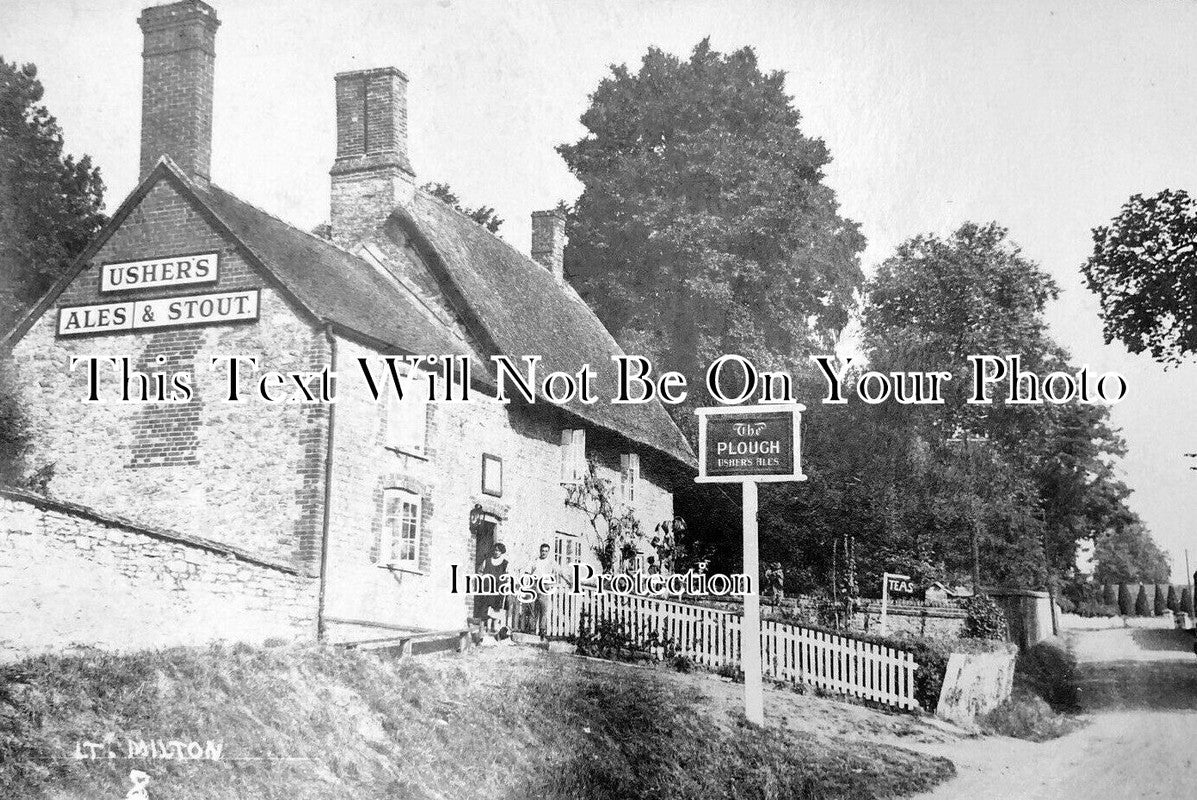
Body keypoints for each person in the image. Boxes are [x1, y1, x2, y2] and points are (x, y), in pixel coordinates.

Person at [526, 543, 563, 638]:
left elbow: (560, 571)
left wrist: (569, 581)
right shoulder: (535, 561)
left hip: (545, 586)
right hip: (534, 585)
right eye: (542, 551)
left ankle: (542, 630)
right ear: (540, 551)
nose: (544, 553)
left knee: (544, 609)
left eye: (546, 551)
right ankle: (532, 630)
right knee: (533, 609)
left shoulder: (551, 562)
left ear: (548, 552)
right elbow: (527, 571)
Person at [478, 542, 509, 632]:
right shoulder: (487, 561)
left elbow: (507, 575)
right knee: (487, 607)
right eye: (495, 550)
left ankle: (495, 627)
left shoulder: (505, 563)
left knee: (497, 608)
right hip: (488, 588)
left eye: (499, 551)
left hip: (499, 588)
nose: (496, 552)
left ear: (501, 552)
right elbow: (480, 571)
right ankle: (487, 626)